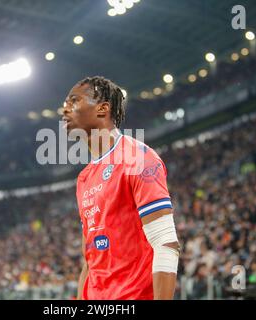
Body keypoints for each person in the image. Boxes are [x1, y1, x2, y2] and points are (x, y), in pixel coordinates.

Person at [62, 76, 180, 300]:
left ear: (102, 108)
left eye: (73, 101)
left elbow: (166, 244)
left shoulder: (138, 159)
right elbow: (90, 264)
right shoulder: (84, 177)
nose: (64, 110)